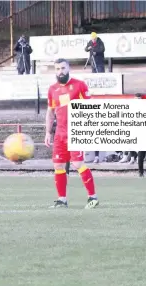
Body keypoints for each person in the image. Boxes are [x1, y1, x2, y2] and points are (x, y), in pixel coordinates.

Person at [44, 58, 99, 209]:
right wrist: (48, 132)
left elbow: (90, 108)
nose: (60, 71)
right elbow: (50, 112)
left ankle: (92, 197)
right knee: (58, 165)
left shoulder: (79, 85)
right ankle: (62, 200)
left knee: (78, 163)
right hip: (60, 134)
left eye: (63, 68)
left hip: (76, 131)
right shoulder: (52, 89)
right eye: (57, 69)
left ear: (69, 68)